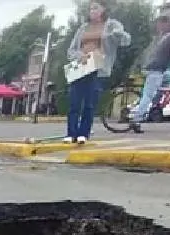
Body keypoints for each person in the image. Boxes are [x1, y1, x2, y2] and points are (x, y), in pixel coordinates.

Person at [64, 1, 131, 144]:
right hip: (81, 66)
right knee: (74, 102)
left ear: (103, 9)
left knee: (89, 102)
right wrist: (79, 55)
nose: (92, 11)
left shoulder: (111, 25)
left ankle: (83, 134)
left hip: (97, 67)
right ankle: (71, 133)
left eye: (95, 8)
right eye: (90, 9)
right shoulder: (83, 27)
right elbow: (70, 50)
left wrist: (116, 34)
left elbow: (125, 40)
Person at [130, 15, 170, 133]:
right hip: (156, 69)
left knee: (169, 78)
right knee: (148, 95)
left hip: (159, 69)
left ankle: (155, 104)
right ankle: (136, 120)